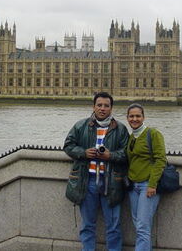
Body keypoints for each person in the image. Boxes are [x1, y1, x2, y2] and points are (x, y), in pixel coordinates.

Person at [63, 92, 129, 251]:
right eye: (99, 105)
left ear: (111, 108)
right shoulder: (81, 126)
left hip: (111, 182)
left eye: (106, 106)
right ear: (93, 106)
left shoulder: (120, 129)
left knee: (113, 226)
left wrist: (109, 155)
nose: (102, 109)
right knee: (87, 225)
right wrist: (84, 153)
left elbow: (127, 154)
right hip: (88, 181)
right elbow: (68, 146)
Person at [126, 103, 167, 251]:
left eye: (138, 116)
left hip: (147, 186)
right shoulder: (132, 137)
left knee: (142, 227)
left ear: (143, 117)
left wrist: (152, 184)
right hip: (133, 187)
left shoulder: (153, 134)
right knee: (139, 225)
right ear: (127, 118)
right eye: (131, 116)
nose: (134, 119)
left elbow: (160, 159)